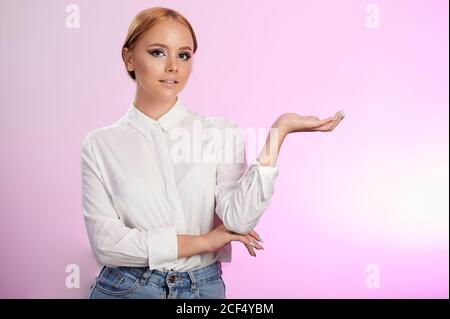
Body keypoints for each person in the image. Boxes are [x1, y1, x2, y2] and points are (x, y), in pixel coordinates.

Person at [81, 7, 344, 299]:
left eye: (184, 55)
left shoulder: (220, 132)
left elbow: (239, 220)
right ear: (129, 57)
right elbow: (106, 244)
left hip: (202, 289)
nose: (173, 67)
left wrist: (278, 132)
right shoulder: (99, 144)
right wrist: (205, 241)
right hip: (127, 288)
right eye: (158, 52)